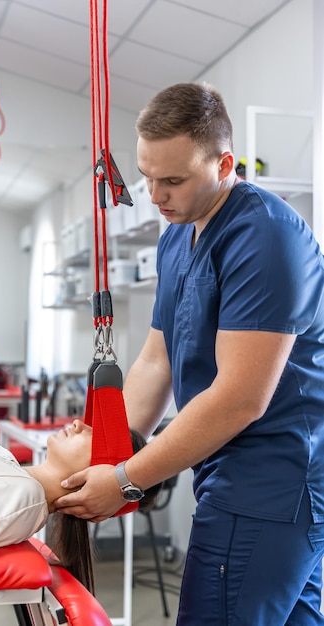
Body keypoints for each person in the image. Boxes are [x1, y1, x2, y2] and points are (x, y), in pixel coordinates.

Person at [56, 82, 324, 625]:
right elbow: (157, 360)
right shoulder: (176, 234)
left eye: (173, 180)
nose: (155, 196)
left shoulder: (265, 235)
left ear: (225, 163)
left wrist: (127, 479)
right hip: (238, 476)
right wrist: (110, 451)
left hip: (271, 484)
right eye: (147, 177)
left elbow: (238, 400)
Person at [0, 419, 160, 593]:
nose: (78, 424)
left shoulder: (23, 497)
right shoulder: (13, 468)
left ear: (101, 477)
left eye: (95, 435)